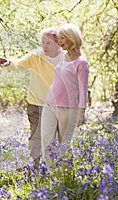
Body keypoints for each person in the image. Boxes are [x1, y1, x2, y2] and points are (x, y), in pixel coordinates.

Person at [0, 28, 64, 168]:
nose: (45, 46)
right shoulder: (35, 56)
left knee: (55, 140)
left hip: (58, 105)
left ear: (58, 43)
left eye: (48, 43)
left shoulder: (66, 58)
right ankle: (34, 170)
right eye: (43, 42)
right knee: (36, 138)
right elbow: (19, 64)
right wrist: (8, 62)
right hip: (36, 104)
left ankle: (56, 172)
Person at [40, 23, 89, 170]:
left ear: (72, 38)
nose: (60, 41)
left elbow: (83, 90)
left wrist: (81, 113)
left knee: (64, 146)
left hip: (69, 109)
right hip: (49, 105)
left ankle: (67, 180)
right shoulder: (63, 56)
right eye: (59, 38)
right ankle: (52, 178)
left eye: (63, 38)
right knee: (46, 142)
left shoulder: (82, 63)